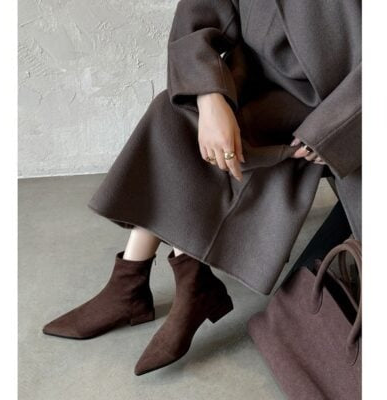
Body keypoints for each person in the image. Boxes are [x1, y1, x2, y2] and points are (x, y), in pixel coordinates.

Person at [42, 0, 361, 376]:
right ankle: (134, 281)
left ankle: (175, 286)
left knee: (204, 138)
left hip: (335, 108)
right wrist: (210, 98)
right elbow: (198, 17)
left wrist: (333, 132)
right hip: (257, 82)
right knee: (175, 113)